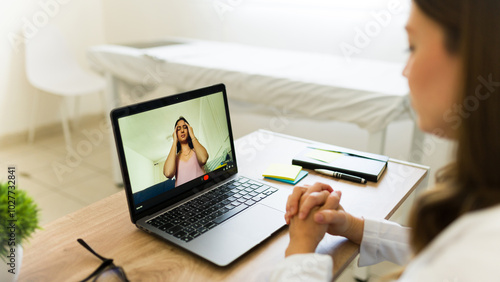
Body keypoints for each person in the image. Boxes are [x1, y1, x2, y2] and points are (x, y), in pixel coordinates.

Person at [271, 0, 500, 280]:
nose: (406, 71)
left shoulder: (481, 256)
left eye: (412, 47)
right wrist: (353, 226)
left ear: (476, 55)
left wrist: (300, 251)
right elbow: (441, 247)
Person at [163, 117, 209, 187]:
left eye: (185, 127)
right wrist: (174, 141)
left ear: (188, 129)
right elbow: (168, 173)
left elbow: (203, 159)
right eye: (179, 129)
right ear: (176, 133)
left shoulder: (196, 151)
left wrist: (192, 134)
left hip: (201, 191)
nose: (182, 131)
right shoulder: (175, 158)